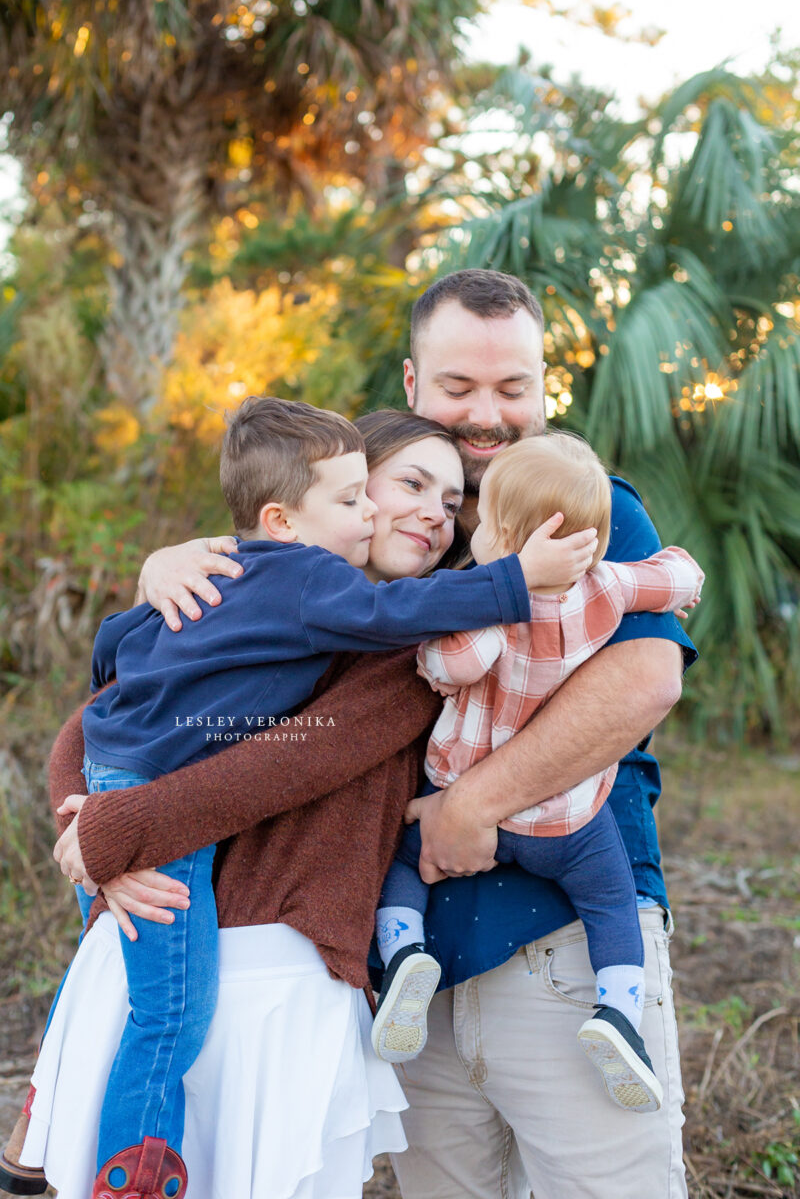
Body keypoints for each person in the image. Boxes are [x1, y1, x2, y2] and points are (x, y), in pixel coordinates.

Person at [5, 270, 695, 1199]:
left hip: (551, 933)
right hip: (379, 955)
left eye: (513, 389)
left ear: (544, 390)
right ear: (406, 396)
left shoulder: (569, 513)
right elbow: (112, 712)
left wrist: (117, 830)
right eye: (458, 390)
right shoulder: (315, 584)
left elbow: (644, 676)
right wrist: (93, 821)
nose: (485, 417)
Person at [70, 393, 589, 1196]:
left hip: (260, 955)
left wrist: (104, 837)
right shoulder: (255, 586)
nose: (432, 514)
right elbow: (91, 724)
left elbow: (284, 761)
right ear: (343, 495)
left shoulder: (407, 660)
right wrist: (91, 837)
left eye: (452, 503)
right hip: (203, 944)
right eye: (406, 486)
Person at [371, 433, 704, 1123]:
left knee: (408, 856)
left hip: (460, 788)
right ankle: (617, 1010)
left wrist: (489, 581)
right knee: (612, 898)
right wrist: (684, 580)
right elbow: (676, 576)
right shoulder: (607, 586)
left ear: (513, 538)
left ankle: (404, 954)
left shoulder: (491, 608)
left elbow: (448, 667)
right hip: (565, 819)